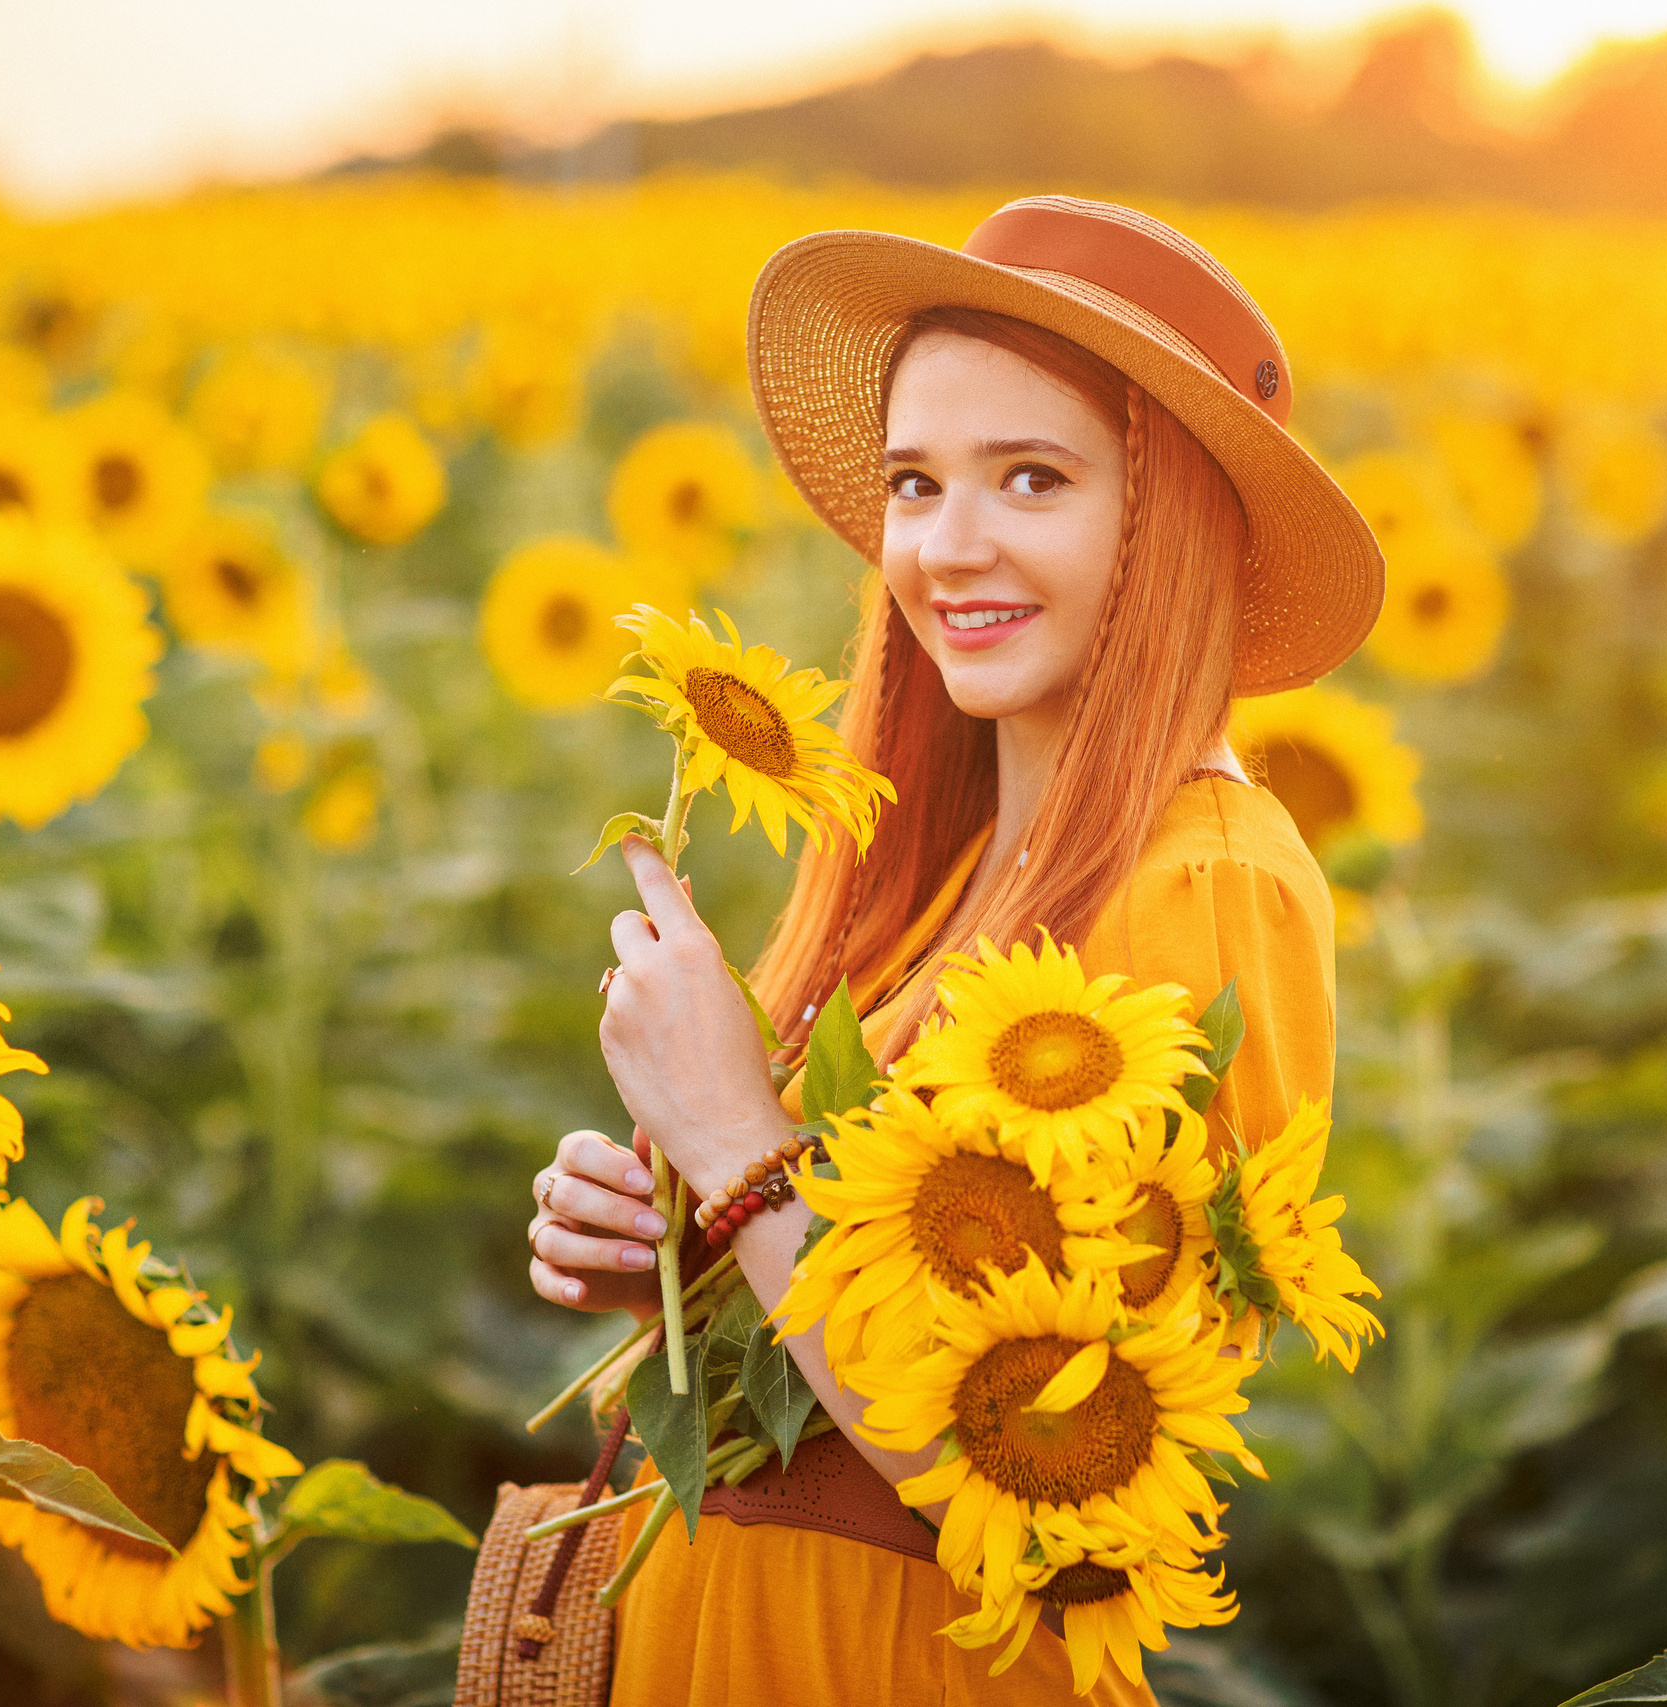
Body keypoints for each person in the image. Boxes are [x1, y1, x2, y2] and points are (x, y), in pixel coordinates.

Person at [527, 194, 1383, 1705]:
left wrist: (736, 1141)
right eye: (916, 483)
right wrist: (674, 1247)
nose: (945, 546)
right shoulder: (947, 869)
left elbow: (1067, 1488)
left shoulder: (1208, 885)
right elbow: (883, 1300)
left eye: (1032, 478)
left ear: (1167, 520)